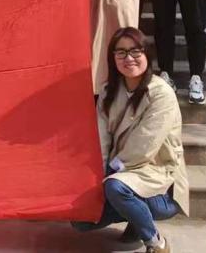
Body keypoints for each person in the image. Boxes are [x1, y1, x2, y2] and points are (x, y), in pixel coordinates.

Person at [72, 27, 189, 253]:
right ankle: (135, 219)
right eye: (121, 52)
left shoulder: (161, 93)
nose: (129, 58)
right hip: (122, 174)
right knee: (81, 221)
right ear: (112, 58)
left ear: (147, 54)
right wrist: (95, 176)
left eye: (136, 51)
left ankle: (156, 243)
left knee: (116, 188)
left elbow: (145, 145)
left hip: (159, 182)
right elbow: (101, 139)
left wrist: (110, 172)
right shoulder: (108, 92)